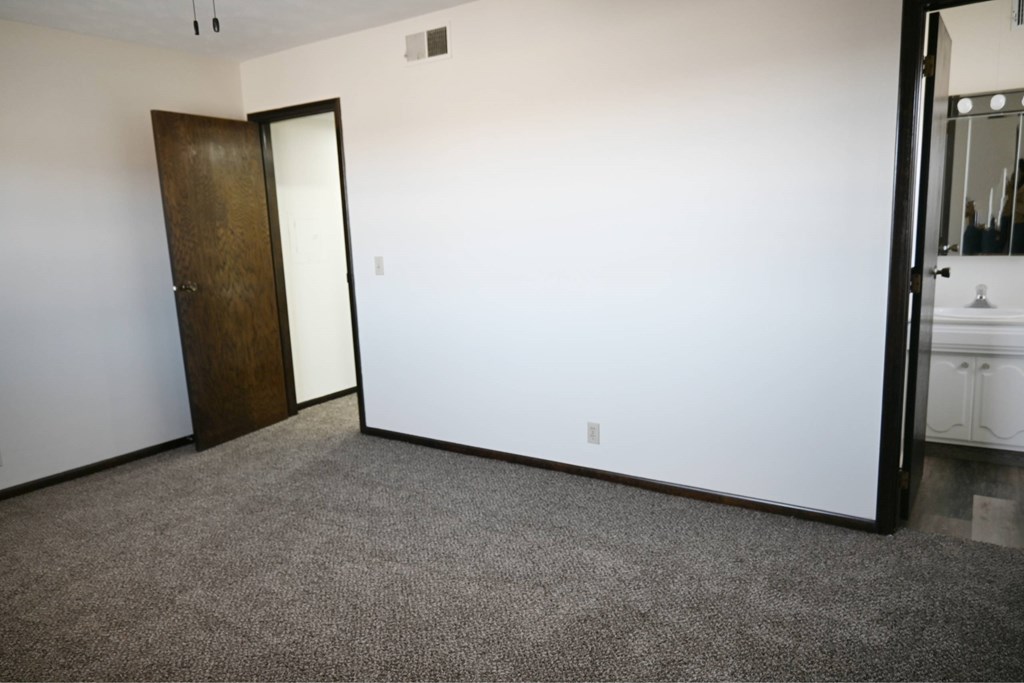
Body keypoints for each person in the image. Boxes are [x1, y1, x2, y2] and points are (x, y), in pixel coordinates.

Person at [1002, 159, 1024, 254]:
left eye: (1019, 171)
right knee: (1005, 248)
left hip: (1019, 222)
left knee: (1014, 249)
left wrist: (1015, 204)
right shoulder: (1012, 183)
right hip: (1008, 217)